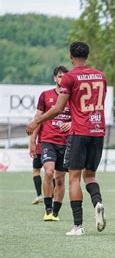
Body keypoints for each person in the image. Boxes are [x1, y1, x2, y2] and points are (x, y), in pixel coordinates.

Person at [26, 41, 107, 236]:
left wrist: (36, 121)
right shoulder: (101, 75)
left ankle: (78, 226)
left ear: (71, 56)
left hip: (79, 132)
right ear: (87, 55)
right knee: (91, 176)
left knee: (74, 179)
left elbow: (58, 108)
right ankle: (97, 202)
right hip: (98, 131)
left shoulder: (69, 78)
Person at [29, 66, 71, 220]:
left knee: (60, 178)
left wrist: (72, 123)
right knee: (48, 172)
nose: (62, 79)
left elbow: (80, 117)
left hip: (66, 143)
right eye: (59, 76)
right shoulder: (45, 96)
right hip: (48, 141)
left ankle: (56, 211)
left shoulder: (72, 97)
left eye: (64, 76)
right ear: (55, 78)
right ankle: (47, 209)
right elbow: (37, 119)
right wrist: (32, 140)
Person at [29, 133, 43, 205]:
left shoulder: (39, 121)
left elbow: (34, 133)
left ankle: (39, 195)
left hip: (40, 148)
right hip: (55, 147)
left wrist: (32, 145)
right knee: (53, 173)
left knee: (36, 172)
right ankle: (53, 197)